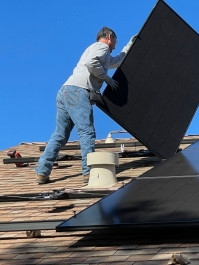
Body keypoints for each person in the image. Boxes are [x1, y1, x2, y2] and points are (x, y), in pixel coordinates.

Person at [35, 27, 136, 184]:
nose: (115, 44)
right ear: (110, 37)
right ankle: (88, 173)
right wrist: (106, 79)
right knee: (87, 132)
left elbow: (115, 62)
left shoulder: (98, 50)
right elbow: (91, 63)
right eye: (116, 41)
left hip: (65, 91)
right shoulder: (101, 47)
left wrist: (129, 45)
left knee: (60, 135)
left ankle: (42, 172)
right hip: (78, 91)